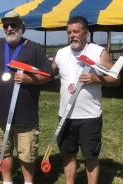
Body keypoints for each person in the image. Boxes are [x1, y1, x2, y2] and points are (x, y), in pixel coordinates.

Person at [0, 11, 51, 184]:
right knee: (3, 152)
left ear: (22, 28)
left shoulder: (34, 48)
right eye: (6, 26)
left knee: (26, 155)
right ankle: (7, 181)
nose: (9, 29)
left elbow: (47, 75)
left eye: (13, 25)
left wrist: (29, 79)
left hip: (26, 116)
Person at [52, 16, 121, 184]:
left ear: (86, 33)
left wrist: (97, 79)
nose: (72, 35)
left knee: (90, 155)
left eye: (76, 31)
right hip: (66, 115)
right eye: (69, 32)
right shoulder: (61, 53)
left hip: (89, 116)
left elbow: (116, 79)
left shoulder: (98, 52)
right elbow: (47, 74)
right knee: (68, 153)